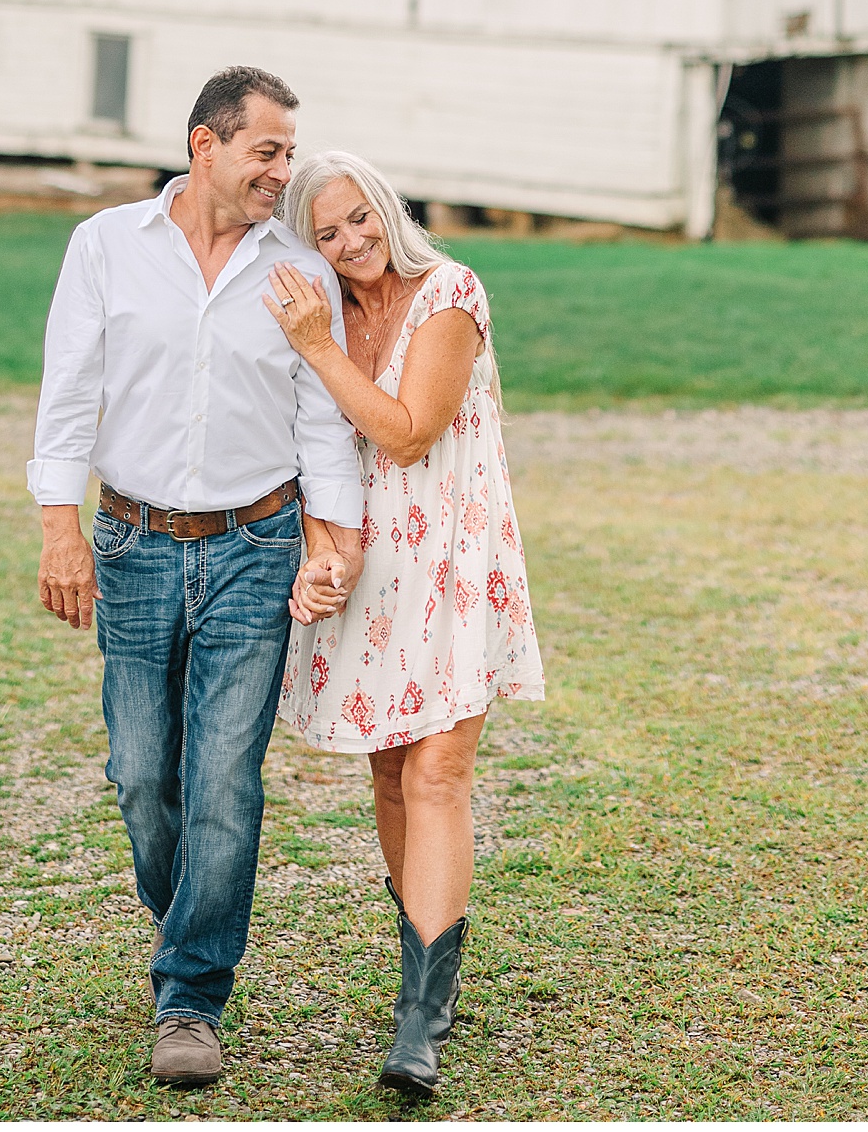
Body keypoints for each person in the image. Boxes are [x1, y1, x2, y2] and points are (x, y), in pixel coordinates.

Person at [29, 67, 363, 1090]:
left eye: (287, 152)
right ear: (204, 145)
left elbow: (322, 423)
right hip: (131, 543)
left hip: (254, 548)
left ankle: (190, 993)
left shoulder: (299, 268)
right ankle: (192, 914)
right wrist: (60, 526)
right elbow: (69, 388)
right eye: (266, 149)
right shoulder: (104, 246)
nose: (282, 170)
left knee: (224, 779)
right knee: (142, 776)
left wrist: (331, 542)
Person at [267, 150, 545, 1100]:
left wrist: (317, 350)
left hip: (455, 559)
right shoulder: (325, 310)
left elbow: (408, 431)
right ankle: (426, 956)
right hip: (369, 568)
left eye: (360, 219)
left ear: (387, 209)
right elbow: (306, 447)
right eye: (327, 233)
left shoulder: (449, 293)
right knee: (389, 765)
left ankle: (419, 1018)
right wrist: (321, 550)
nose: (350, 244)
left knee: (439, 767)